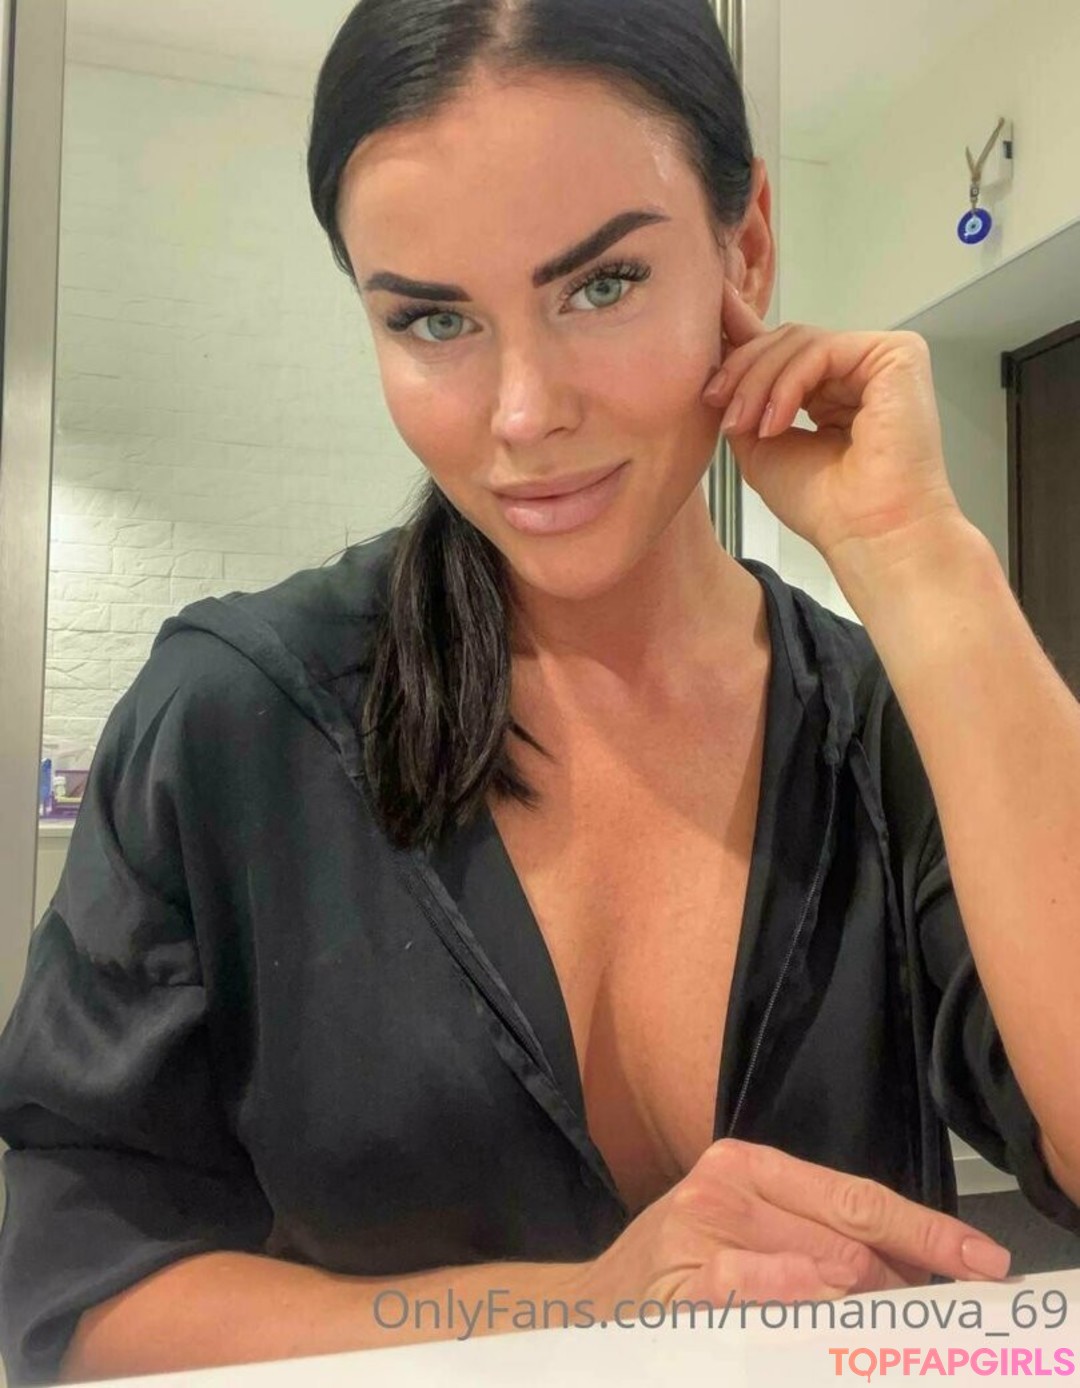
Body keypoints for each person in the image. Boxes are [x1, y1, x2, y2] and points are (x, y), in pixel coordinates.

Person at [2, 0, 1080, 1382]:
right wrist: (586, 1306)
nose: (524, 414)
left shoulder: (880, 723)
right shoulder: (231, 718)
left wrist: (927, 567)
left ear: (746, 245)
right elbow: (74, 1305)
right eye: (433, 319)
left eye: (602, 285)